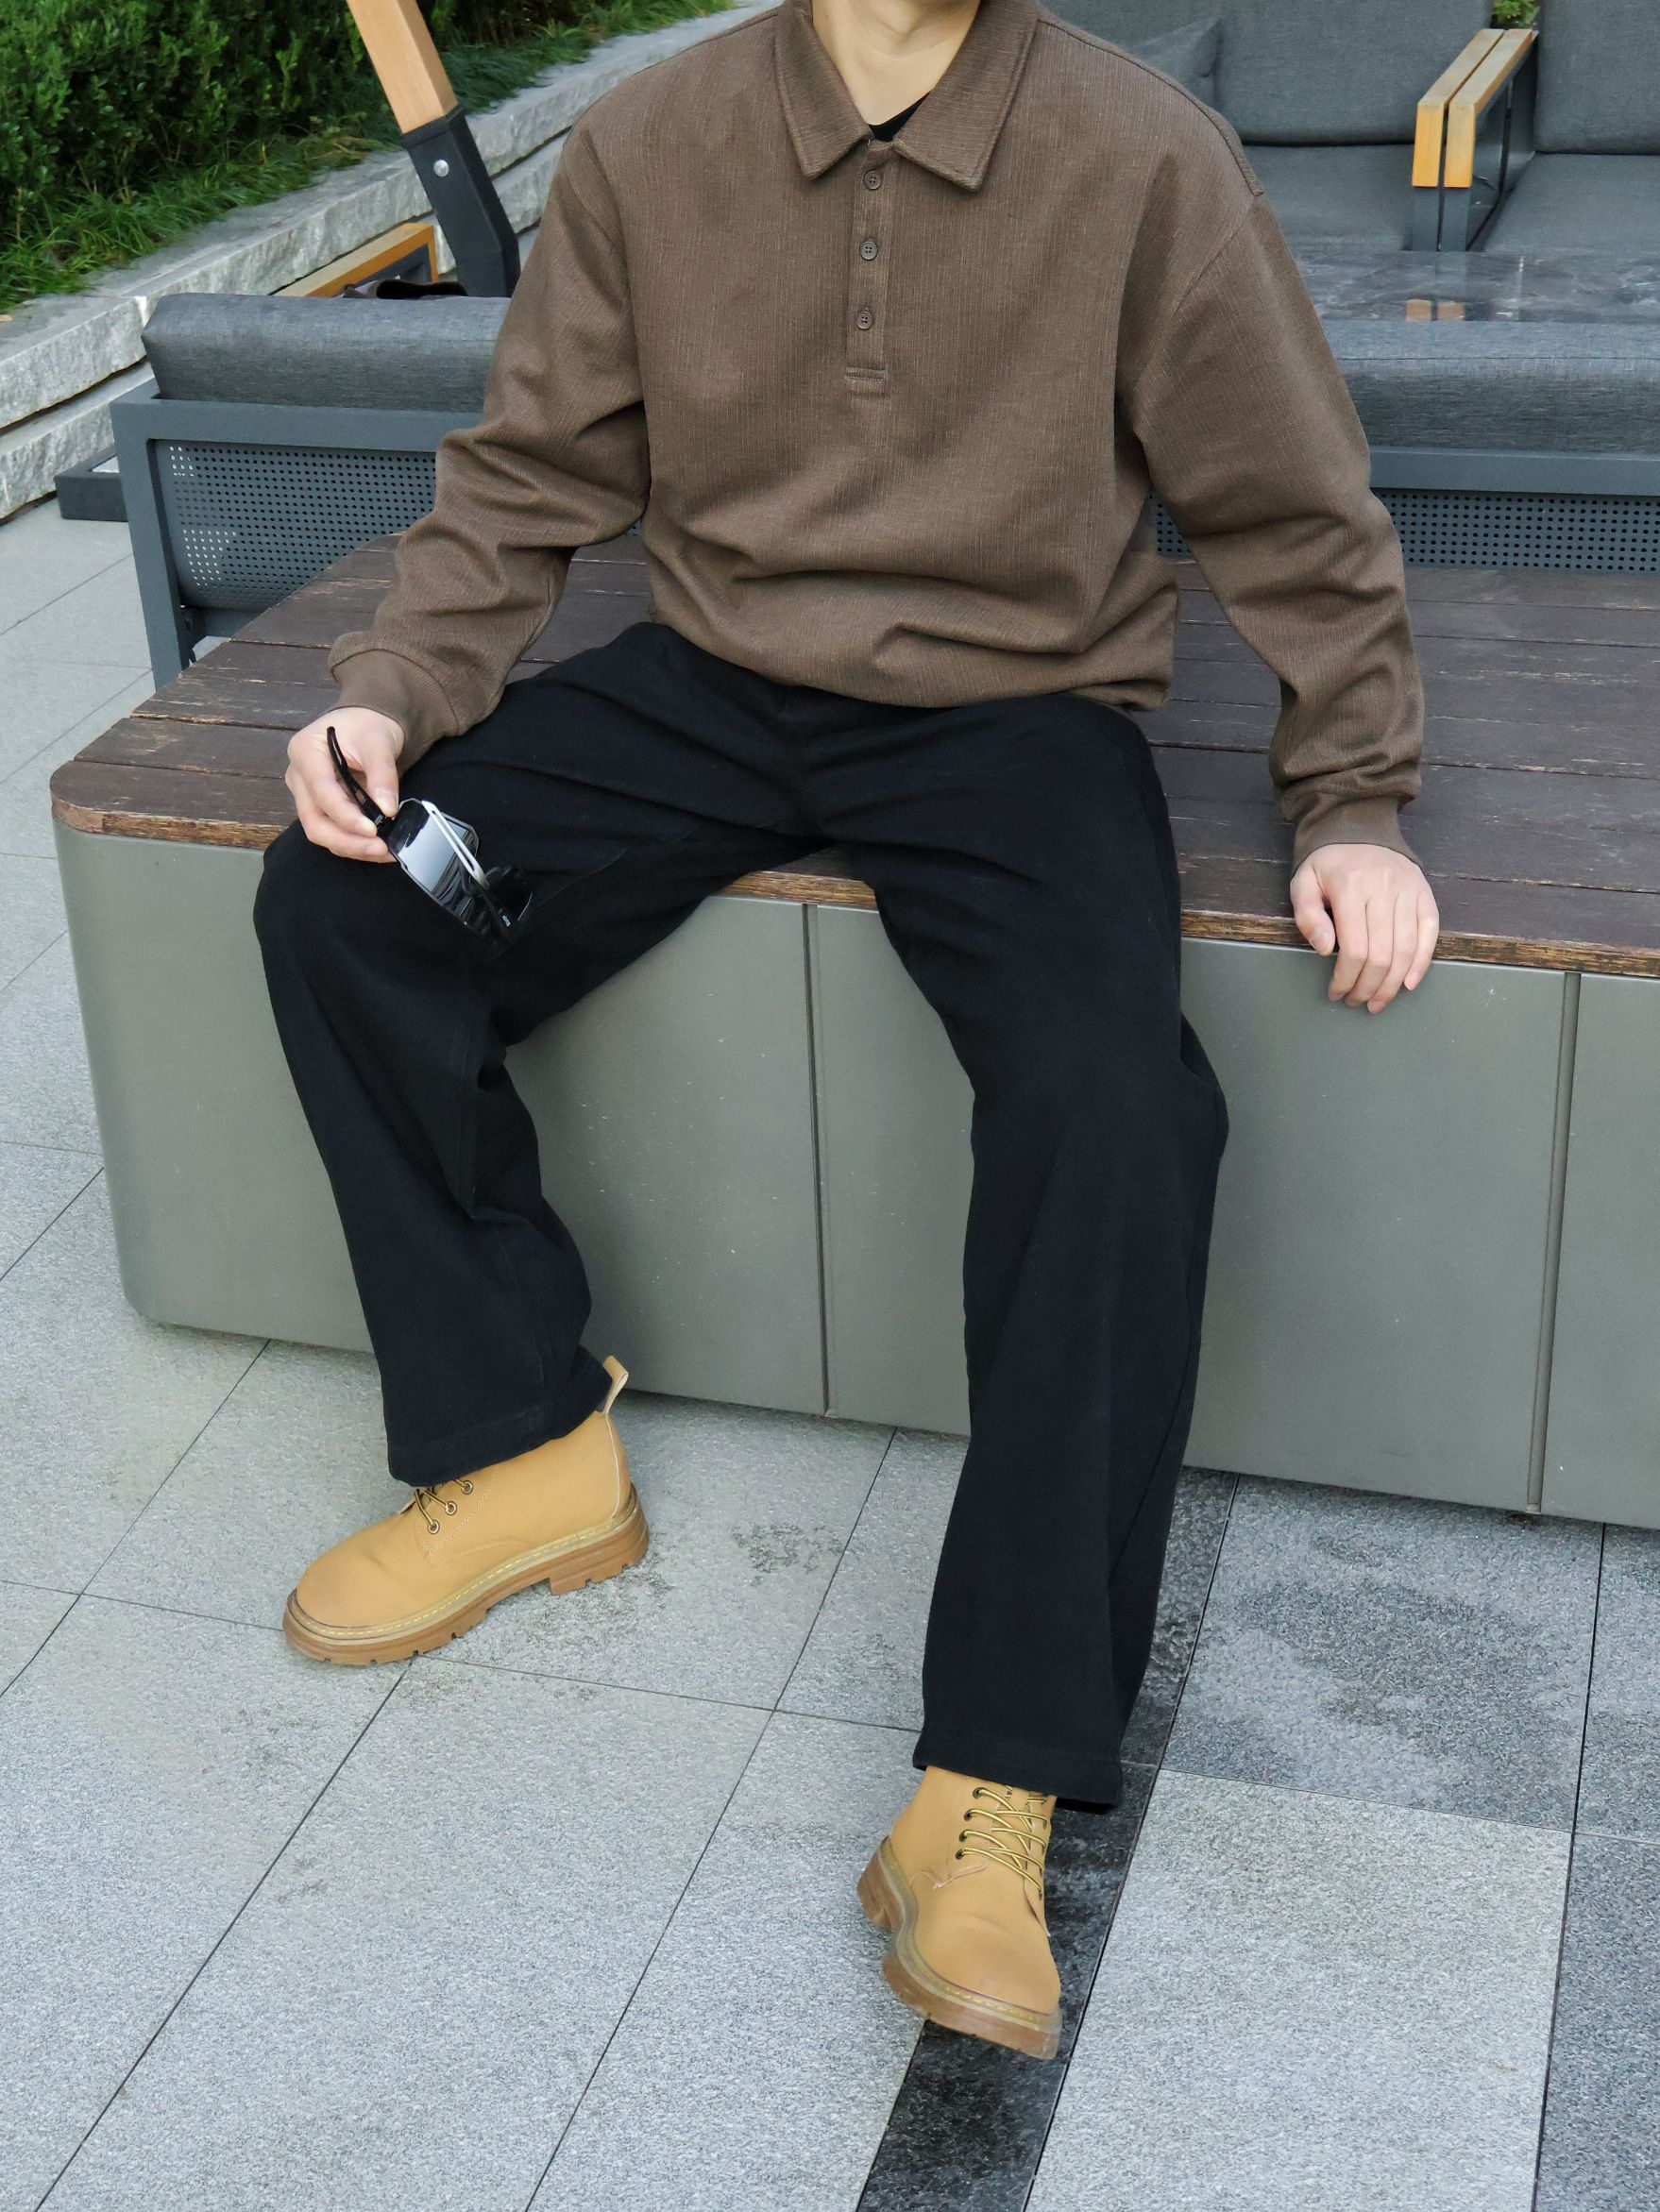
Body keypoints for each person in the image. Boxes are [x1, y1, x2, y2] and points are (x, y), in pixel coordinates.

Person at [253, 0, 1438, 2062]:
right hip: (712, 678)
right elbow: (525, 476)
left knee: (1117, 1105)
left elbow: (1292, 508)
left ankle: (993, 1778)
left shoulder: (1143, 157)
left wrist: (1350, 795)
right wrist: (390, 690)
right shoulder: (654, 141)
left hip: (1018, 711)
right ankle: (524, 1447)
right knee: (350, 896)